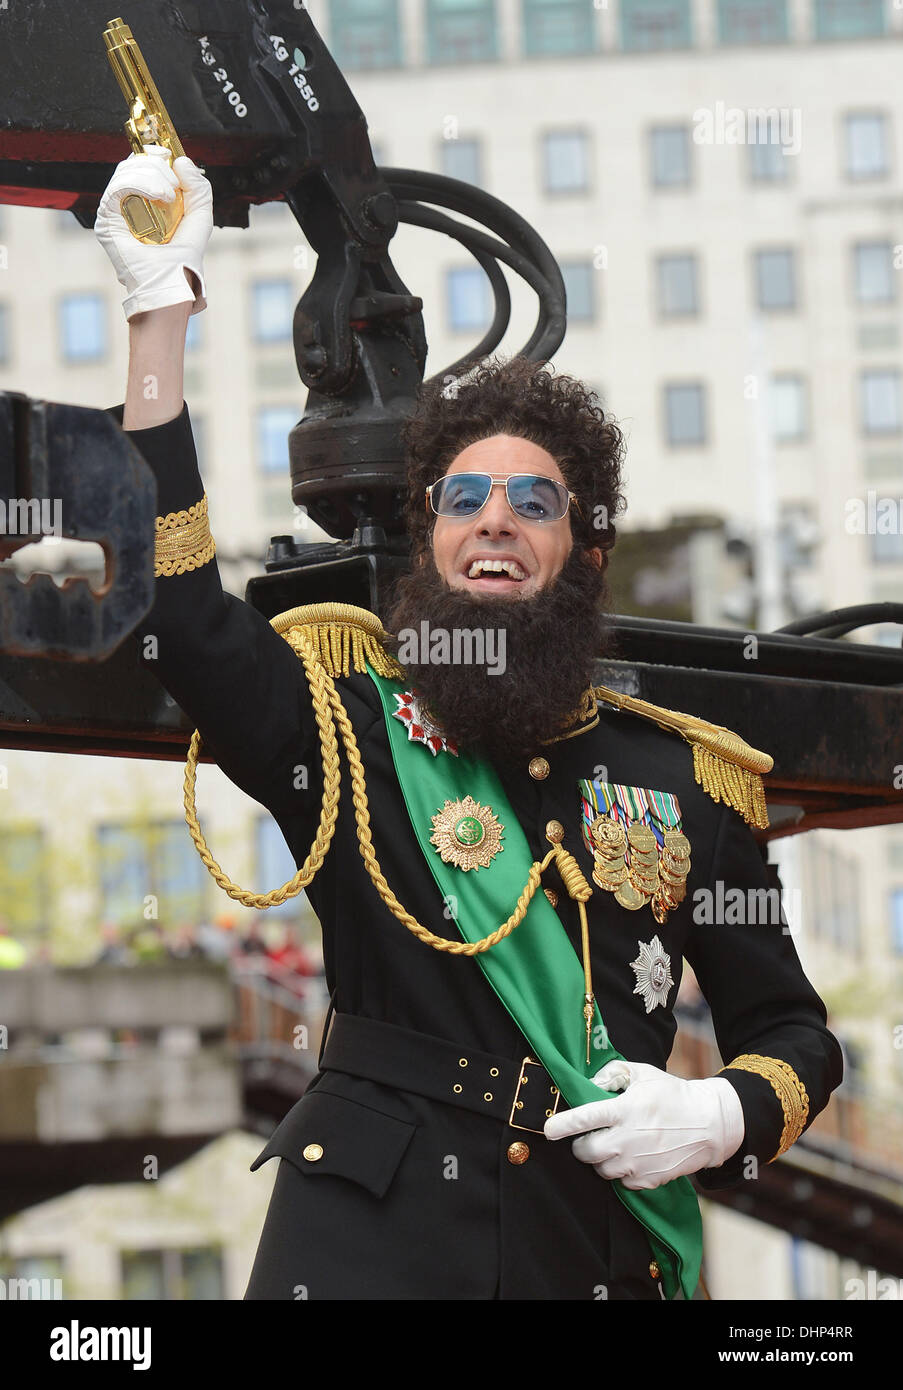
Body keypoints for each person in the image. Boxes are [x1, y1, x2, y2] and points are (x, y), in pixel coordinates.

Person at [94, 149, 843, 1301]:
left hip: (588, 1249)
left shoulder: (683, 777)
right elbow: (182, 609)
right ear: (433, 540)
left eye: (533, 502)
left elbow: (795, 1032)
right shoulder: (343, 730)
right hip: (367, 1248)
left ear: (583, 549)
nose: (496, 520)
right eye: (464, 498)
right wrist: (157, 315)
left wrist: (716, 1111)